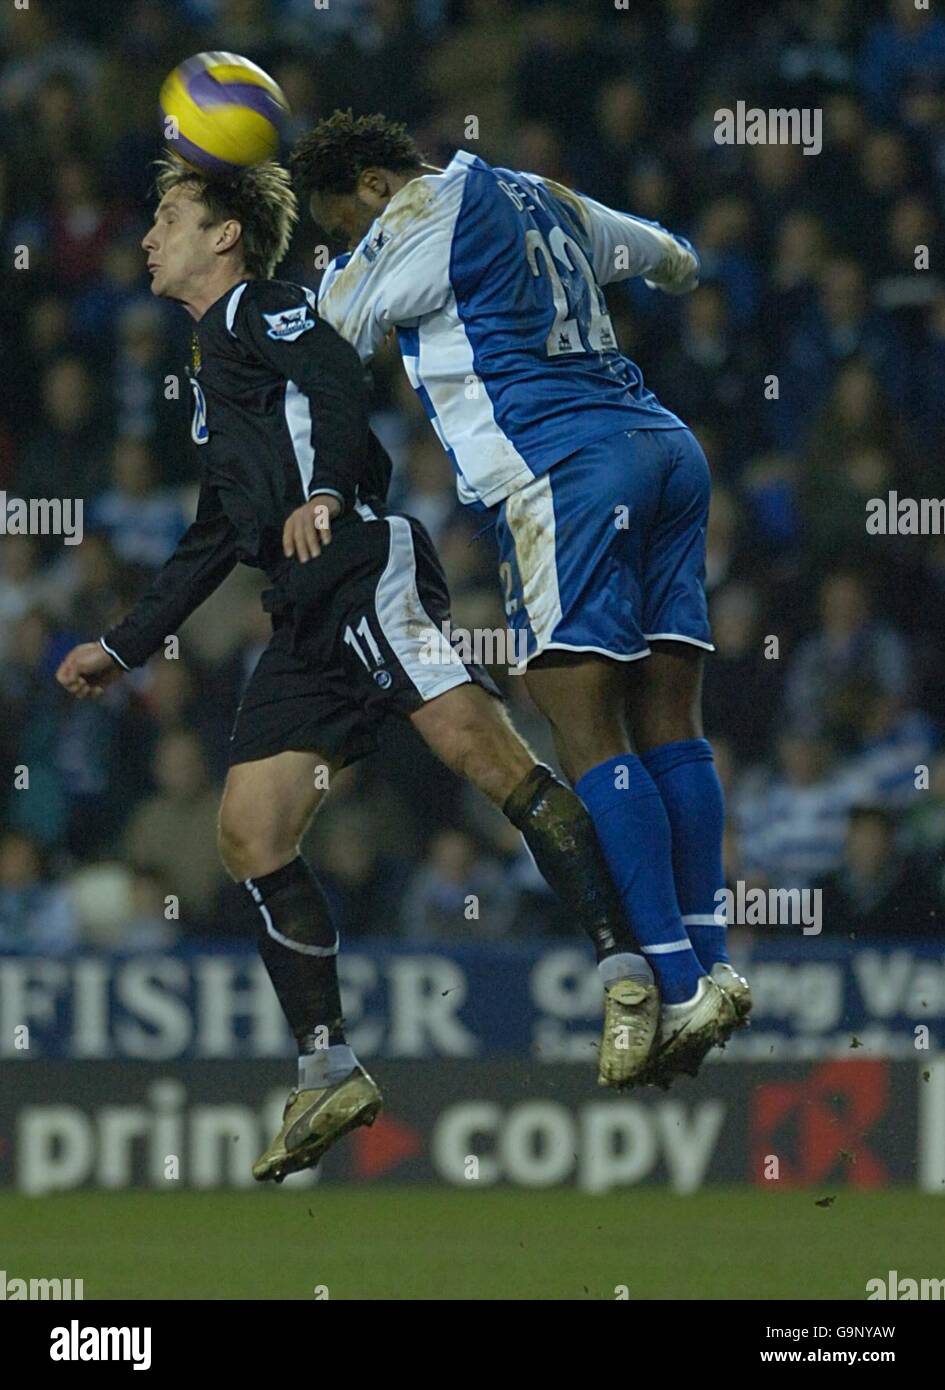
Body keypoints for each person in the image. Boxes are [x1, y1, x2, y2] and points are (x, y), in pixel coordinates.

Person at [55, 154, 671, 1185]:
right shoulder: (211, 368)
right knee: (249, 832)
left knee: (483, 754)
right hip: (297, 605)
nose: (151, 234)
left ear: (227, 237)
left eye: (171, 215)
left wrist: (331, 491)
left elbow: (340, 377)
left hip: (357, 559)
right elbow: (217, 530)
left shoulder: (268, 308)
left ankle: (629, 969)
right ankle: (329, 1066)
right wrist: (123, 645)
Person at [289, 111, 745, 1079]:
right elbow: (673, 259)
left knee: (586, 731)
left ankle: (676, 986)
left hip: (565, 472)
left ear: (375, 187)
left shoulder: (420, 212)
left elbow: (333, 328)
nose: (348, 240)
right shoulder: (546, 195)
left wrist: (321, 275)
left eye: (342, 221)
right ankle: (712, 963)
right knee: (671, 719)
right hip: (665, 447)